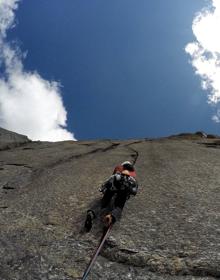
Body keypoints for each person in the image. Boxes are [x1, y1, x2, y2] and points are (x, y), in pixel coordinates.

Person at [84, 161, 138, 232]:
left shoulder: (116, 174)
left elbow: (104, 185)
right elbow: (134, 192)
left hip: (111, 190)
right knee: (118, 207)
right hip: (122, 193)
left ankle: (92, 213)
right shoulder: (132, 178)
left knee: (103, 203)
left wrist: (104, 192)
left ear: (123, 167)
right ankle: (111, 216)